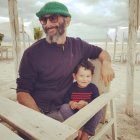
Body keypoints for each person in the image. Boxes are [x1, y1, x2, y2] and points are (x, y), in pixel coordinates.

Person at [16, 1, 114, 139]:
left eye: (53, 18)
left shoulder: (78, 46)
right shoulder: (32, 53)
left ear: (67, 20)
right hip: (38, 111)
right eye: (43, 20)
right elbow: (22, 92)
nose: (47, 24)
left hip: (66, 109)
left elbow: (102, 53)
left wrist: (106, 63)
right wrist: (40, 119)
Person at [60, 60, 102, 140]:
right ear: (74, 76)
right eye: (81, 76)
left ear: (92, 76)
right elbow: (65, 98)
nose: (84, 79)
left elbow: (97, 102)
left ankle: (86, 133)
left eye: (88, 76)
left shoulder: (93, 88)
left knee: (99, 110)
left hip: (89, 115)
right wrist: (71, 102)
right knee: (63, 107)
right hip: (74, 115)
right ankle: (77, 129)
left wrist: (87, 104)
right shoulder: (71, 87)